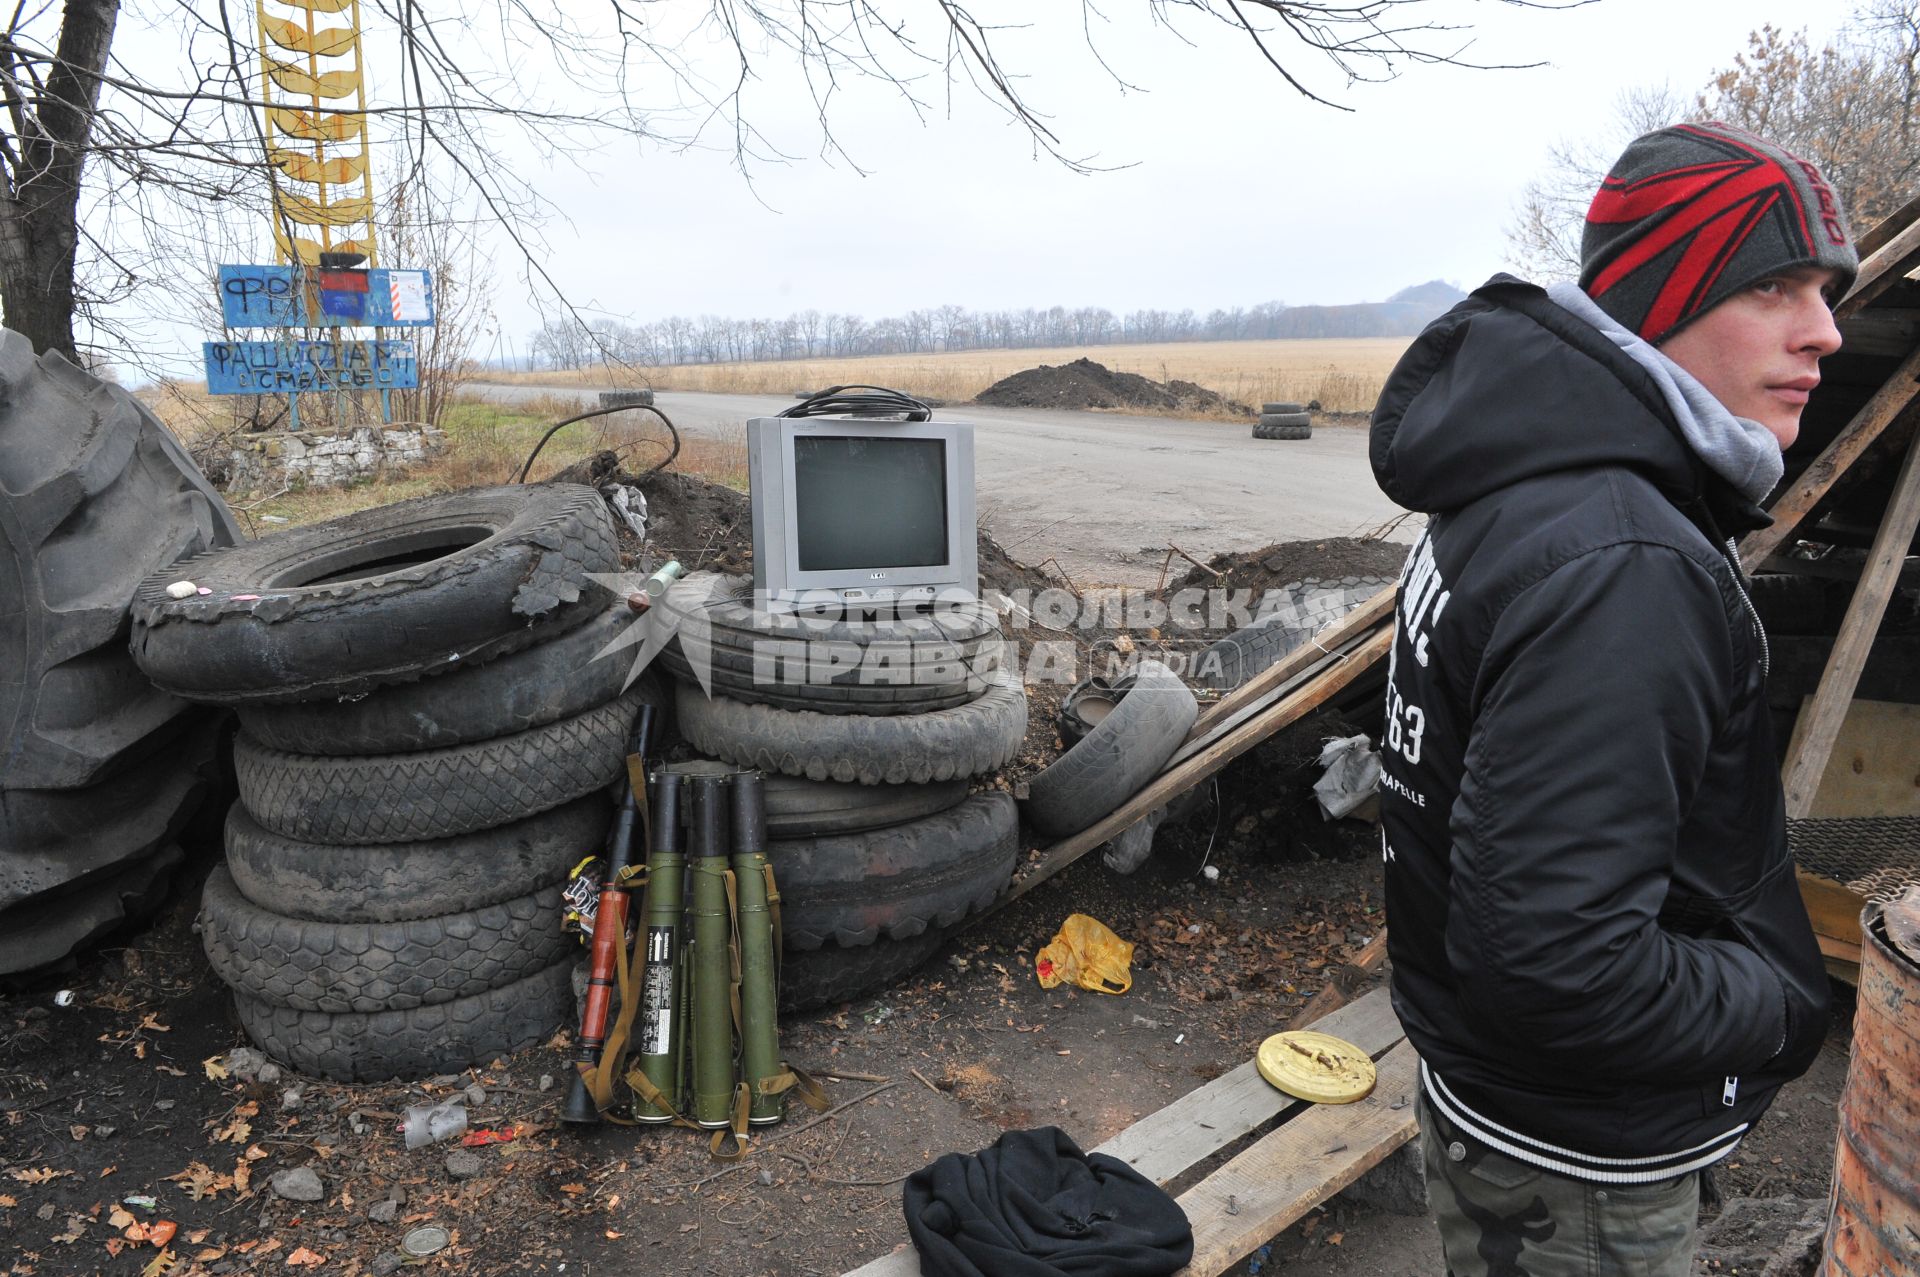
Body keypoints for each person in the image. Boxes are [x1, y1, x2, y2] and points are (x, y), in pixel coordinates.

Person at [1368, 121, 1853, 1275]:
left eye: (1826, 290)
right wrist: (1782, 998)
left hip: (1500, 1098)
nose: (1827, 330)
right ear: (1664, 299)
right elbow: (1556, 960)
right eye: (1775, 285)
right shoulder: (1622, 561)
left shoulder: (1528, 478)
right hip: (1577, 1157)